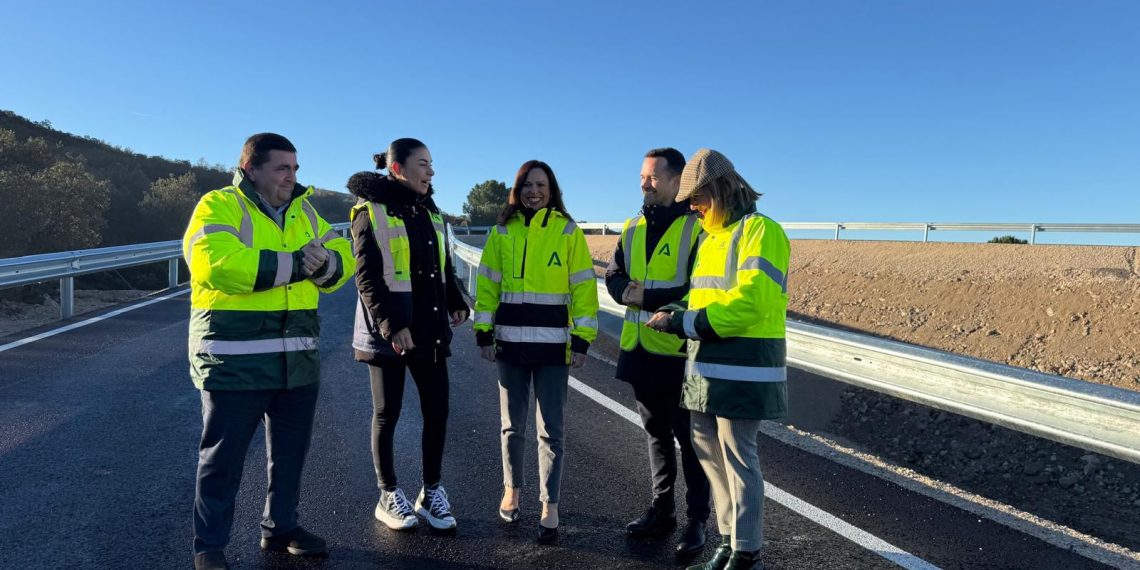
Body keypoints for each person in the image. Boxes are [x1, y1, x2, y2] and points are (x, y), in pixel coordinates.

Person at [183, 133, 354, 570]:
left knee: (291, 455)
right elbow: (219, 266)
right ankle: (210, 547)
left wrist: (327, 264)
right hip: (233, 360)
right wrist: (300, 263)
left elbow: (341, 255)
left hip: (296, 360)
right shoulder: (219, 205)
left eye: (295, 168)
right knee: (222, 460)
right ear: (251, 168)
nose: (291, 177)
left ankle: (281, 528)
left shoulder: (304, 210)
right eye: (282, 168)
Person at [647, 148, 790, 570]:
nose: (692, 205)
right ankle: (727, 542)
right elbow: (703, 295)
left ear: (721, 188)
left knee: (739, 456)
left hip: (745, 367)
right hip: (705, 368)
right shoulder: (710, 238)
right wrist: (677, 310)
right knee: (709, 452)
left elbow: (752, 301)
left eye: (697, 196)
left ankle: (747, 550)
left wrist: (686, 322)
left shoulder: (761, 231)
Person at [473, 160, 599, 544]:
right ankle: (512, 489)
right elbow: (488, 283)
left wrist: (582, 339)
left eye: (541, 185)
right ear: (518, 189)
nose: (534, 192)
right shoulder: (502, 231)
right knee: (512, 426)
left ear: (552, 189)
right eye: (528, 185)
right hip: (509, 344)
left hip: (552, 348)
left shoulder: (567, 231)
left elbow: (582, 286)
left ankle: (551, 502)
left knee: (552, 431)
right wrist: (483, 332)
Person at [347, 138, 470, 532]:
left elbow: (443, 266)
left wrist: (456, 300)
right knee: (388, 414)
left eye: (432, 164)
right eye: (423, 163)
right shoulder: (370, 212)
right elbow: (365, 277)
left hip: (430, 330)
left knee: (437, 412)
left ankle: (431, 492)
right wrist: (391, 325)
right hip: (389, 335)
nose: (431, 171)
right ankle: (388, 494)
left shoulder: (430, 212)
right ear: (397, 168)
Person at [606, 148, 712, 555]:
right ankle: (662, 509)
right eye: (642, 176)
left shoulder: (695, 229)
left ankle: (697, 521)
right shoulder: (632, 227)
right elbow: (614, 273)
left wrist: (646, 297)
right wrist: (624, 292)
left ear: (675, 181)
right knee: (655, 436)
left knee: (691, 440)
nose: (644, 183)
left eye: (652, 177)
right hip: (639, 349)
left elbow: (697, 289)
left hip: (680, 351)